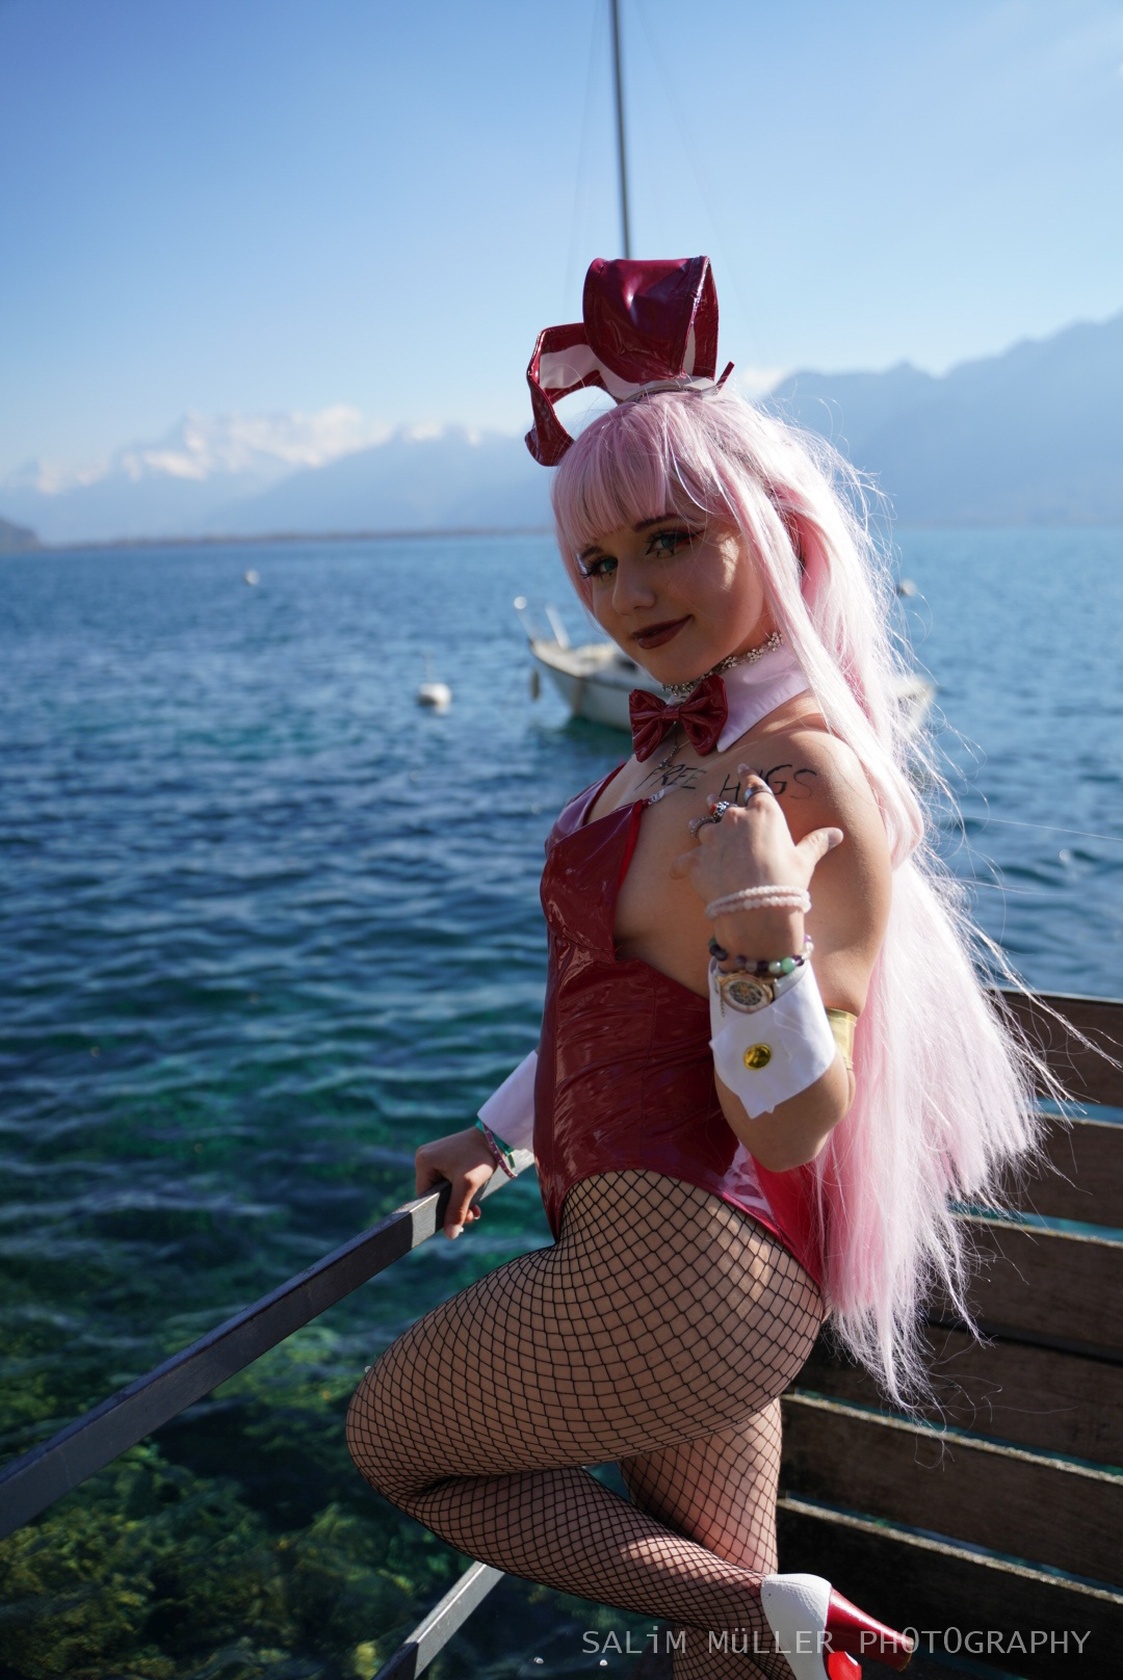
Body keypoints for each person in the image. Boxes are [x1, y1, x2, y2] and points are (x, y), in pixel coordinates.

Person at [346, 258, 1042, 1679]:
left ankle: (776, 1616)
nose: (629, 592)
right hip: (668, 1273)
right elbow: (617, 995)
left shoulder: (803, 774)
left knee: (394, 1442)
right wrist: (499, 1133)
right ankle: (758, 1627)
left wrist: (763, 927)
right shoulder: (680, 750)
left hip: (686, 1279)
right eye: (598, 564)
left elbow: (791, 1124)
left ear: (778, 537)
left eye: (670, 539)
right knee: (714, 1664)